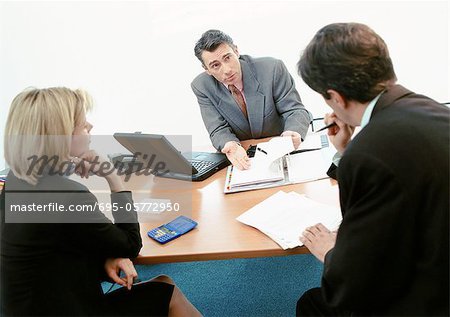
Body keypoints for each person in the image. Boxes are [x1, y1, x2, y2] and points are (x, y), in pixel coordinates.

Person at [0, 87, 201, 316]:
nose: (90, 127)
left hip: (35, 307)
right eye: (82, 124)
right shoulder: (69, 196)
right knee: (168, 291)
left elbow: (57, 248)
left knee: (162, 283)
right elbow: (130, 244)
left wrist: (104, 259)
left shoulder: (16, 181)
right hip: (74, 309)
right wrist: (114, 177)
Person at [296, 23, 449, 316]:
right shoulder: (432, 109)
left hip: (428, 298)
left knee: (312, 303)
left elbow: (352, 286)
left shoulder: (367, 153)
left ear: (336, 97)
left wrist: (329, 251)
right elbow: (401, 179)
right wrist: (346, 150)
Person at [191, 29, 311, 170]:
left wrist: (293, 131)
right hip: (245, 158)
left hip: (282, 151)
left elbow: (295, 110)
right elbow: (217, 128)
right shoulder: (202, 86)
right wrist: (230, 145)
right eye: (215, 65)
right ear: (206, 69)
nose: (227, 70)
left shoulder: (272, 68)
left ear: (236, 51)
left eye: (227, 57)